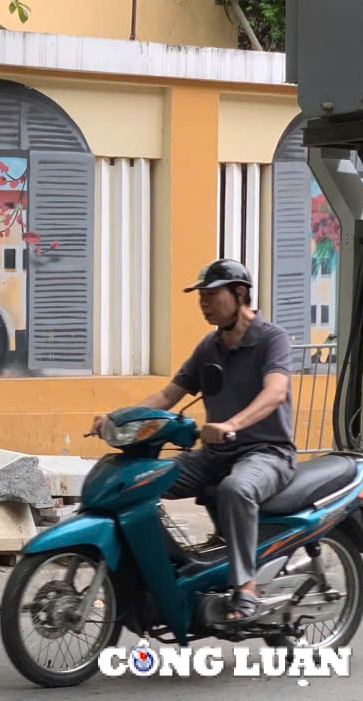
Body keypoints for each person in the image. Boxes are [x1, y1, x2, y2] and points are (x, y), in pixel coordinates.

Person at [90, 259, 297, 622]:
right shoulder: (210, 347)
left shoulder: (272, 339)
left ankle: (245, 588)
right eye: (200, 297)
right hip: (216, 453)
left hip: (268, 453)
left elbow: (276, 392)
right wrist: (118, 418)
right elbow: (168, 395)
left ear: (240, 294)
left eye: (211, 296)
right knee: (140, 481)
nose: (203, 304)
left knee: (236, 489)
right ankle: (166, 573)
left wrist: (232, 423)